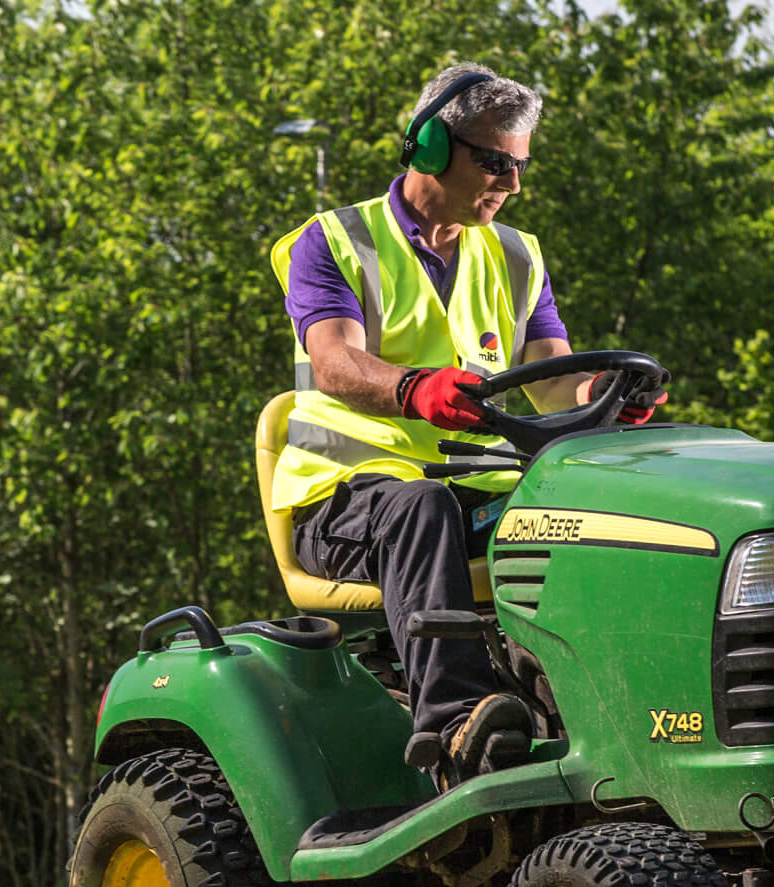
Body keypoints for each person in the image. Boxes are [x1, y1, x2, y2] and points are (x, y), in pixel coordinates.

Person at [269, 64, 664, 781]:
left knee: (597, 505)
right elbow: (333, 362)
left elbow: (557, 381)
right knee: (421, 507)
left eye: (520, 166)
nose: (513, 185)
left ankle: (606, 708)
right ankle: (453, 727)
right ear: (429, 146)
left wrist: (604, 394)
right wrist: (414, 387)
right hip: (346, 503)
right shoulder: (331, 242)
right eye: (495, 162)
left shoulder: (516, 255)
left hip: (474, 497)